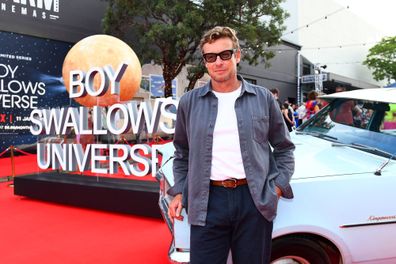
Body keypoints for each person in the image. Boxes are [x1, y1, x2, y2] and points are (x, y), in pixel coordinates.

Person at [167, 26, 295, 264]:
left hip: (254, 200)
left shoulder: (263, 98)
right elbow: (182, 153)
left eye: (225, 55)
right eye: (210, 57)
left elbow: (284, 148)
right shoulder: (189, 103)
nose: (218, 62)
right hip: (207, 201)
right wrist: (180, 191)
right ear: (205, 62)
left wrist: (275, 190)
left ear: (237, 55)